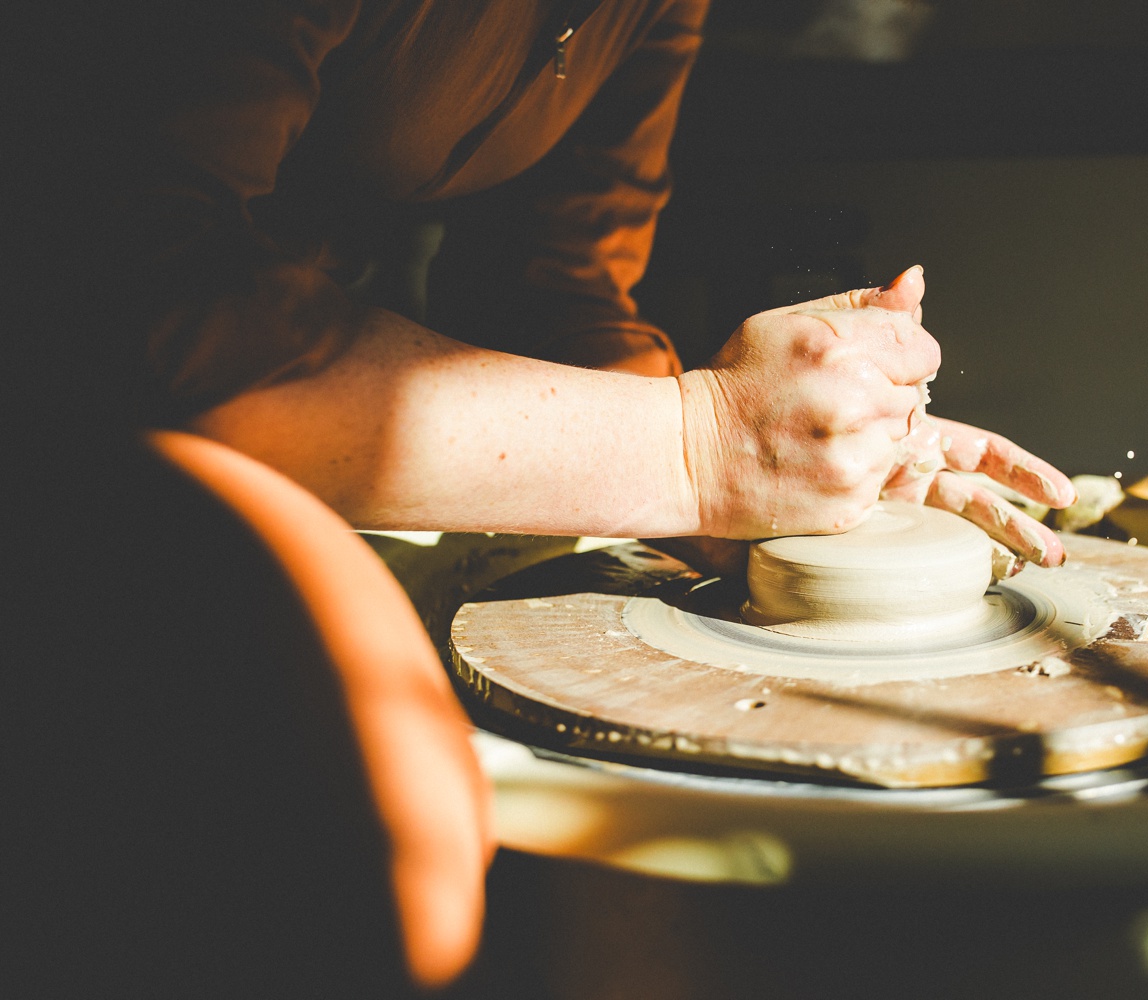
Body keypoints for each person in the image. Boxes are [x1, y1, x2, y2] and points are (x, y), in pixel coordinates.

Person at [4, 1, 1077, 995]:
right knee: (400, 860)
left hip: (264, 372)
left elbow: (554, 285)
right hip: (64, 408)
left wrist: (765, 480)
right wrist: (699, 447)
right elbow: (120, 302)